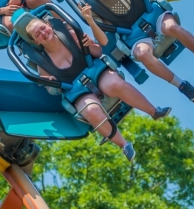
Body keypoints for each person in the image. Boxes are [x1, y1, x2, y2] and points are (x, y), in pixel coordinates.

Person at [18, 9, 171, 161]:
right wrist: (49, 83)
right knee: (90, 110)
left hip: (94, 71)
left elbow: (98, 52)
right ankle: (124, 144)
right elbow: (53, 91)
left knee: (115, 84)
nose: (43, 33)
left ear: (48, 25)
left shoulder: (70, 34)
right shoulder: (42, 63)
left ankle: (153, 111)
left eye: (43, 28)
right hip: (76, 89)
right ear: (36, 41)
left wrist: (89, 44)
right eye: (38, 34)